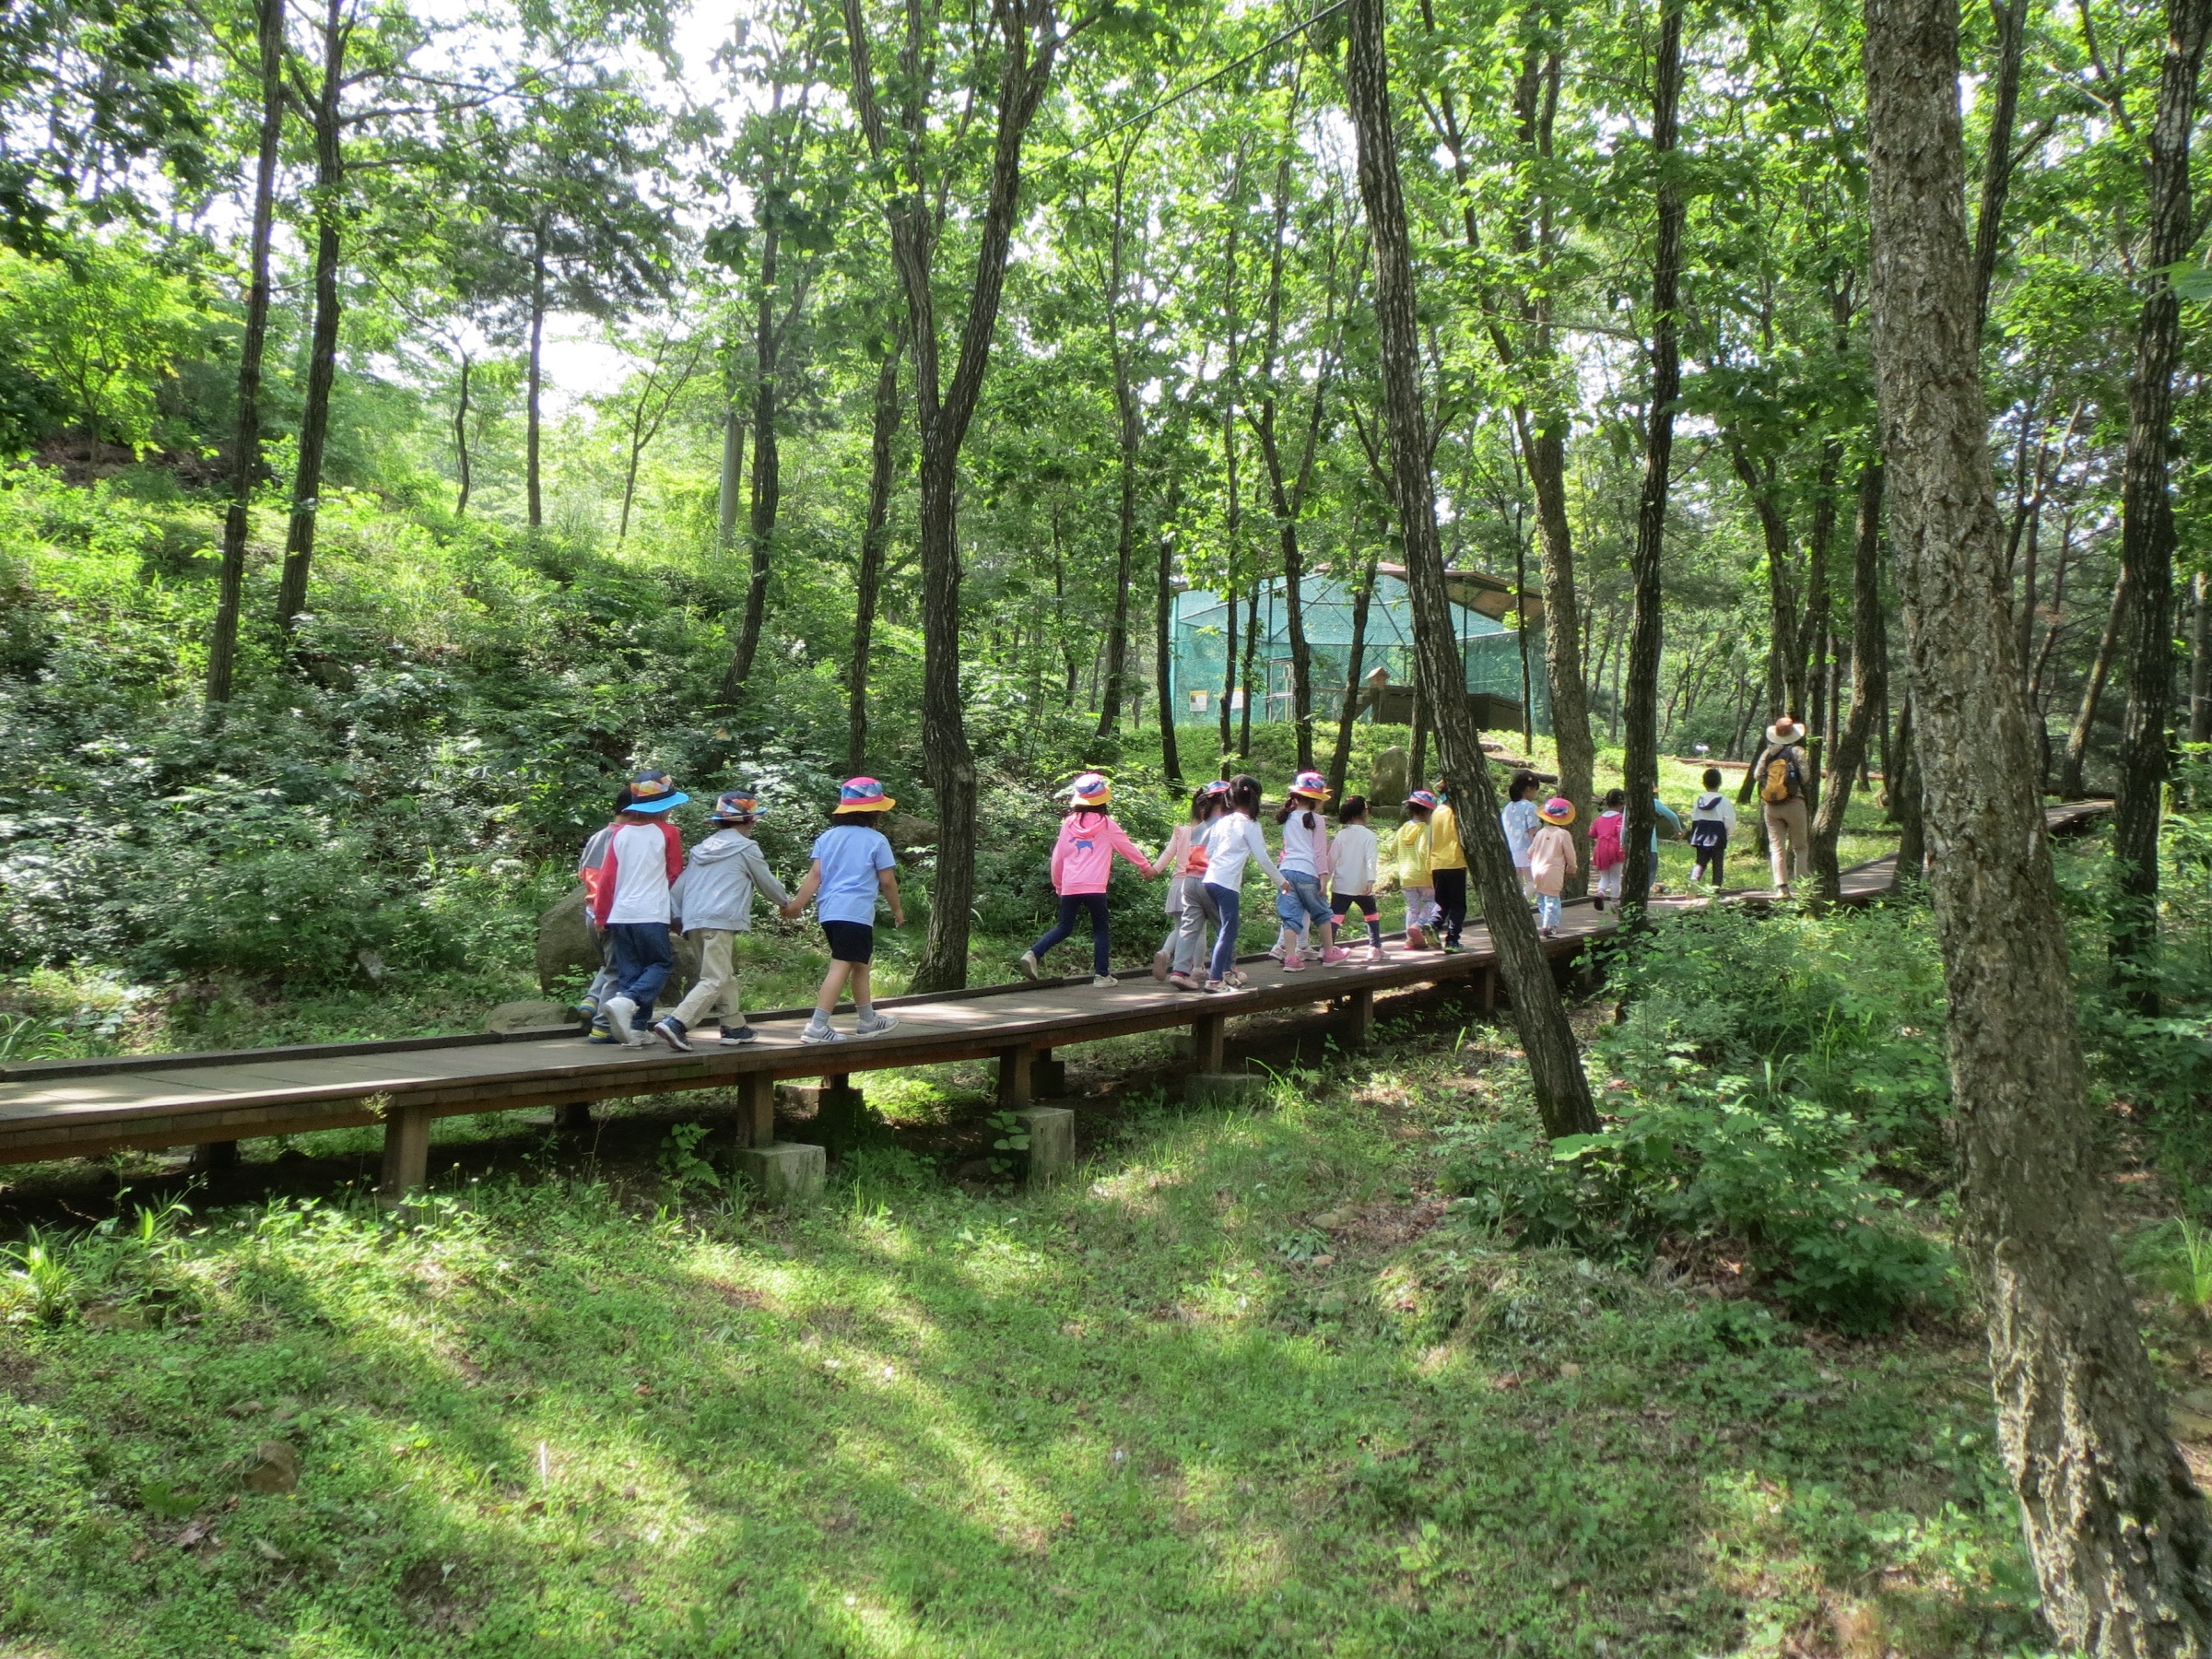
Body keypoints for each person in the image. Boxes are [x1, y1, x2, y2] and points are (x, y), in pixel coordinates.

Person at [652, 789, 790, 1052]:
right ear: (749, 821)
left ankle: (734, 1026)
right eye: (753, 821)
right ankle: (677, 1022)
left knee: (723, 974)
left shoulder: (702, 850)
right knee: (714, 978)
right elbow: (766, 882)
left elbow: (680, 886)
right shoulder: (746, 847)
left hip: (693, 919)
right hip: (720, 918)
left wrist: (675, 915)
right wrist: (786, 903)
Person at [780, 777, 906, 1044]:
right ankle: (817, 1026)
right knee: (841, 965)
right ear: (874, 811)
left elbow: (815, 875)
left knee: (860, 962)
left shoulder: (827, 838)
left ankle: (868, 1019)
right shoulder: (876, 840)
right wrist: (897, 909)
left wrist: (797, 906)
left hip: (829, 912)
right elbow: (887, 880)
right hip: (855, 912)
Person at [1018, 771, 1157, 987]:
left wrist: (1058, 884)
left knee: (1064, 927)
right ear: (1103, 800)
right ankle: (1102, 976)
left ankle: (1034, 953)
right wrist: (1145, 867)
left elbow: (1058, 857)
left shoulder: (1068, 824)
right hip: (1095, 888)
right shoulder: (1107, 825)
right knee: (1100, 929)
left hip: (1070, 885)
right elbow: (1127, 848)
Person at [590, 770, 688, 1046]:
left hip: (620, 915)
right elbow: (674, 874)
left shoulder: (620, 834)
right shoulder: (669, 832)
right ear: (664, 807)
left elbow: (607, 878)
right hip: (651, 913)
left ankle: (635, 1030)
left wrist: (601, 914)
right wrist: (678, 913)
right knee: (660, 963)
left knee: (630, 971)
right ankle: (628, 1001)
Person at [1199, 773, 1289, 994]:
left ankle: (1226, 973)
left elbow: (1209, 852)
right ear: (1255, 800)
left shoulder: (1223, 822)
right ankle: (1214, 980)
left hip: (1210, 879)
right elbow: (1263, 859)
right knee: (1228, 931)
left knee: (1225, 930)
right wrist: (1282, 882)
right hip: (1227, 883)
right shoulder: (1250, 825)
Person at [1154, 781, 1227, 992]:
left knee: (1182, 927)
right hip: (1199, 880)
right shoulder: (1211, 831)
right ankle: (1197, 968)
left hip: (1178, 885)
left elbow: (1167, 854)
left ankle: (1167, 953)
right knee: (1199, 930)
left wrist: (1153, 870)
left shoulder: (1183, 830)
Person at [571, 785, 632, 1029]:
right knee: (618, 971)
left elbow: (582, 873)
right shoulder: (627, 838)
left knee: (609, 964)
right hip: (611, 913)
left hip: (591, 911)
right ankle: (602, 1026)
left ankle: (592, 1000)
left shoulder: (598, 836)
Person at [1273, 770, 1344, 971]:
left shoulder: (1288, 817)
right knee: (1322, 913)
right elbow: (1319, 852)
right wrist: (1323, 877)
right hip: (1308, 872)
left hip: (1285, 871)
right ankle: (1329, 953)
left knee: (1290, 916)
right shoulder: (1317, 820)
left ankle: (1291, 958)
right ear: (1314, 800)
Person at [1749, 715, 1811, 892]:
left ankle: (1781, 887)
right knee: (1800, 847)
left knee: (1776, 848)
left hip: (1771, 806)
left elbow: (1756, 776)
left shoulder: (1767, 753)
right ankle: (1802, 887)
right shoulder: (1797, 751)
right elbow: (1805, 777)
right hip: (1794, 803)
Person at [1328, 794, 1384, 960]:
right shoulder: (1369, 836)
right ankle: (1374, 948)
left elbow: (1331, 859)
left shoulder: (1341, 834)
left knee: (1335, 917)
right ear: (1362, 813)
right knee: (1371, 914)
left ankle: (1328, 948)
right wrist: (1370, 880)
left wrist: (1325, 880)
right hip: (1361, 884)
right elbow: (1370, 859)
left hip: (1341, 884)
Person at [1428, 781, 1470, 952]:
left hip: (1437, 864)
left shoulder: (1437, 811)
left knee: (1442, 902)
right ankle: (1453, 940)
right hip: (1455, 863)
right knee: (1458, 905)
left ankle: (1434, 924)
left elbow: (1431, 839)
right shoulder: (1457, 813)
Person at [1395, 790, 1440, 949]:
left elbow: (1393, 848)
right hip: (1424, 875)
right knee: (1434, 902)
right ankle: (1418, 926)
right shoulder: (1426, 830)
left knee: (1412, 908)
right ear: (1428, 811)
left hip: (1406, 876)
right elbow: (1424, 851)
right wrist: (1433, 872)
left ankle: (1410, 940)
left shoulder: (1402, 829)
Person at [1528, 797, 1579, 936]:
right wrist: (1572, 868)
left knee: (1542, 898)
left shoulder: (1540, 833)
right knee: (1552, 898)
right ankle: (1550, 926)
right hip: (1553, 870)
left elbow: (1530, 852)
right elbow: (1570, 854)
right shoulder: (1563, 834)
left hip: (1537, 869)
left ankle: (1545, 922)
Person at [1688, 766, 1738, 887]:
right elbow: (1730, 820)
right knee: (1718, 864)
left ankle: (1693, 882)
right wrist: (1729, 832)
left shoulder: (1699, 800)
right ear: (1720, 783)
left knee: (1700, 862)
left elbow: (1694, 817)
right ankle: (1715, 889)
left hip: (1700, 834)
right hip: (1717, 835)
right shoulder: (1724, 801)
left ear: (1703, 783)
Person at [1500, 771, 1543, 902]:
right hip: (1526, 850)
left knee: (1517, 883)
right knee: (1533, 882)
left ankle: (1513, 904)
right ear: (1529, 789)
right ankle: (1522, 904)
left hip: (1511, 849)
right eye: (1535, 790)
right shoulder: (1530, 807)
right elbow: (1532, 833)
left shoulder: (1508, 807)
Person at [1590, 789, 1626, 911]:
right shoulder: (1620, 818)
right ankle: (1614, 902)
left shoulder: (1599, 819)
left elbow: (1592, 834)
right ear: (1622, 803)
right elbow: (1621, 832)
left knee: (1604, 876)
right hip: (1615, 848)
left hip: (1600, 849)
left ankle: (1600, 893)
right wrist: (1623, 846)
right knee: (1616, 877)